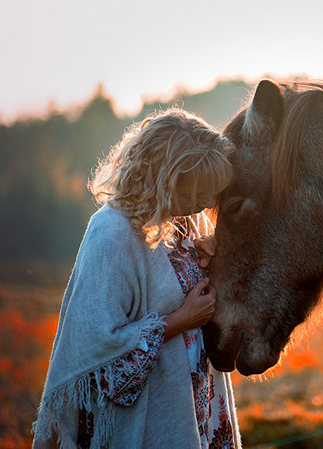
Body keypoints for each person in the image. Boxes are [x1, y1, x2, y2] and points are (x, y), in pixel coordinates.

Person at [32, 109, 241, 448]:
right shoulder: (112, 233)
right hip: (147, 420)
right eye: (196, 192)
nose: (205, 204)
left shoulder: (184, 221)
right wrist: (179, 320)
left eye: (210, 193)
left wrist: (214, 257)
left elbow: (201, 298)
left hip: (193, 405)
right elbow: (99, 355)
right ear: (164, 180)